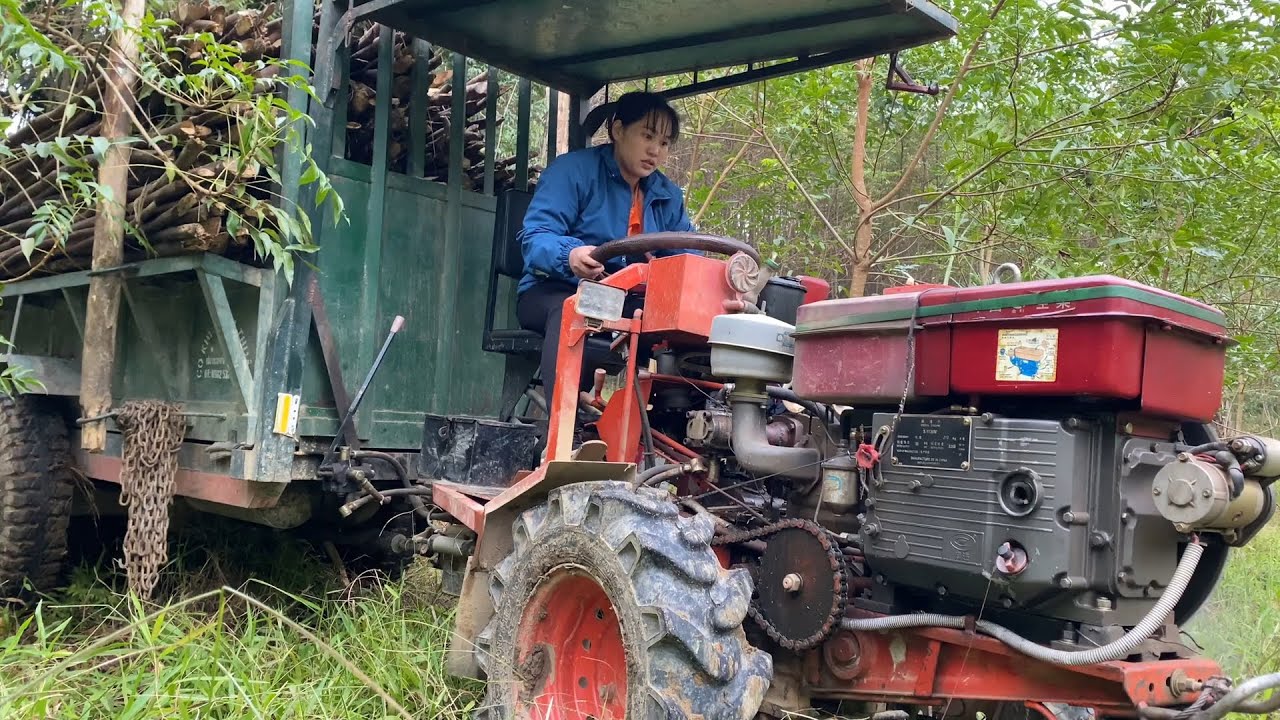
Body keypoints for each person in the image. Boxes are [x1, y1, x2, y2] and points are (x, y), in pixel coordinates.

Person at [516, 91, 696, 405]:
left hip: (626, 301)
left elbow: (687, 257)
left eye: (665, 143)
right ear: (618, 131)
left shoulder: (668, 195)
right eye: (647, 135)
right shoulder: (572, 171)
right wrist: (570, 255)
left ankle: (672, 435)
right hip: (555, 290)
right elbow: (535, 239)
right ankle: (561, 438)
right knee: (572, 310)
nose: (655, 150)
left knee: (687, 329)